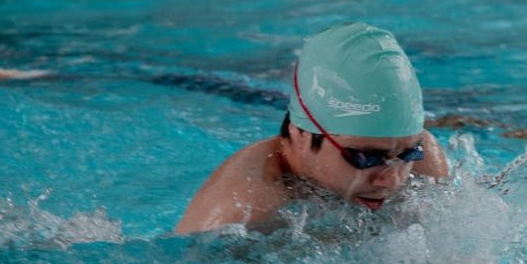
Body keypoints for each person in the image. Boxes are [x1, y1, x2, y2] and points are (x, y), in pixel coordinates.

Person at [175, 22, 449, 234]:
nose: (392, 180)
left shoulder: (424, 164)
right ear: (301, 135)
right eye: (366, 158)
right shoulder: (244, 214)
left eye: (408, 154)